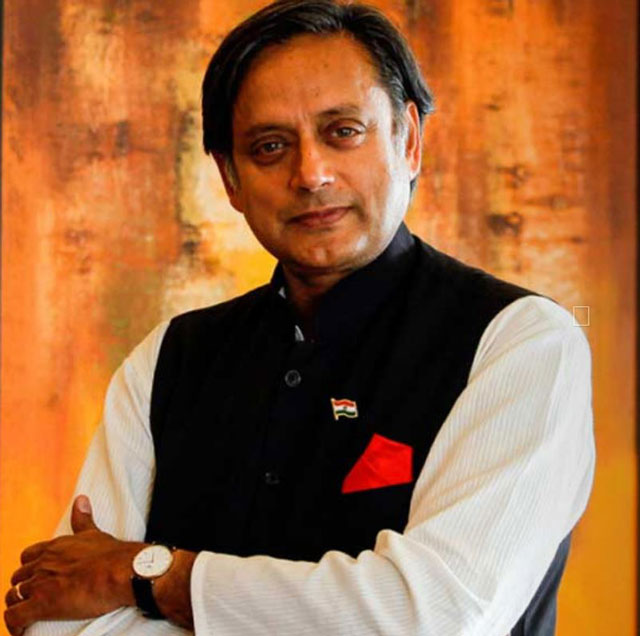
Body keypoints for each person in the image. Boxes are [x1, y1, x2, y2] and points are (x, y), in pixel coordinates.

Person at [4, 1, 595, 635]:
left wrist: (153, 576)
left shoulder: (519, 344)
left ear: (408, 140)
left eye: (343, 131)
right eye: (270, 147)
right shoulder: (167, 361)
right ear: (230, 178)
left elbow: (433, 616)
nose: (310, 173)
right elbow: (59, 621)